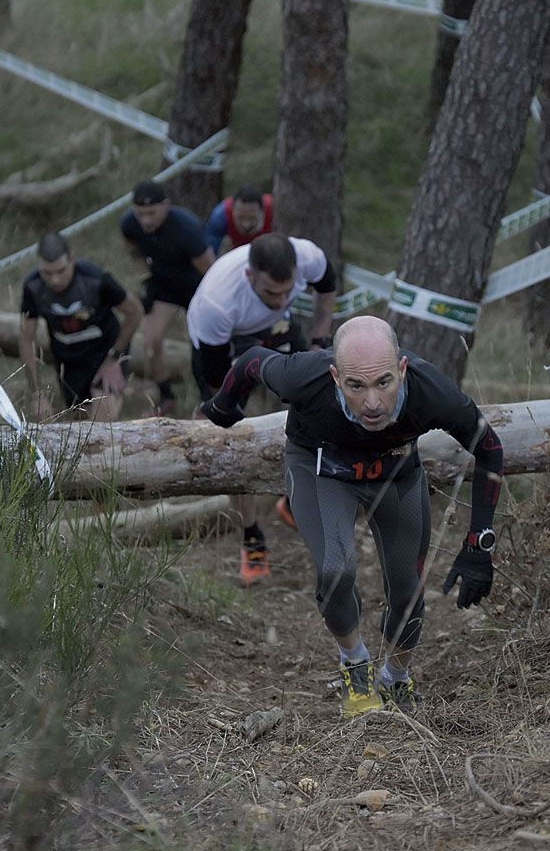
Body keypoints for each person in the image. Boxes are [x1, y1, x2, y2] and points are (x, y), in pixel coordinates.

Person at [200, 315, 503, 718]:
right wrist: (226, 403)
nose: (373, 403)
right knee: (335, 570)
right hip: (320, 469)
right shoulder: (304, 377)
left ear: (402, 370)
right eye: (355, 386)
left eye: (384, 383)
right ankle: (355, 664)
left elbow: (489, 447)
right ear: (334, 376)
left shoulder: (432, 392)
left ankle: (396, 676)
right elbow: (253, 360)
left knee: (407, 587)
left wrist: (479, 541)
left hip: (395, 472)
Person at [187, 233, 337, 585]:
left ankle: (293, 498)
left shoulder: (309, 255)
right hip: (225, 341)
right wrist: (218, 412)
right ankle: (252, 537)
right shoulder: (217, 304)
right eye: (272, 292)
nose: (282, 298)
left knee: (318, 395)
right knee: (228, 435)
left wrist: (319, 337)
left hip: (275, 329)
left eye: (288, 291)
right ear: (250, 277)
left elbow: (327, 288)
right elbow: (218, 392)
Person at [20, 232, 141, 422]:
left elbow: (135, 311)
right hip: (69, 361)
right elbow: (27, 338)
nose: (55, 280)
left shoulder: (95, 279)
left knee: (102, 423)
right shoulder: (33, 287)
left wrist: (114, 357)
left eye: (61, 271)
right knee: (81, 425)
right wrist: (37, 394)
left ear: (72, 259)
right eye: (47, 273)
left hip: (104, 352)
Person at [119, 179, 216, 416]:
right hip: (164, 286)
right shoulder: (130, 224)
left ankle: (208, 401)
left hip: (197, 287)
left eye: (152, 213)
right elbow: (133, 249)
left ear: (166, 206)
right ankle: (165, 396)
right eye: (141, 213)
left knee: (201, 346)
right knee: (151, 340)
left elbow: (212, 271)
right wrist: (145, 278)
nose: (146, 220)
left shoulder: (186, 229)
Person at [204, 184, 276, 253]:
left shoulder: (275, 209)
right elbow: (209, 253)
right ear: (233, 210)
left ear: (262, 211)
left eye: (252, 218)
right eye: (240, 218)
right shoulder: (221, 215)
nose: (246, 225)